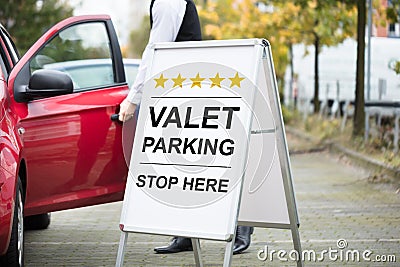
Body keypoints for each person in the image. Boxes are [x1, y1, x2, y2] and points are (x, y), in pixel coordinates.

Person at [118, 0, 253, 255]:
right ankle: (185, 234)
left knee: (210, 163)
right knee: (186, 166)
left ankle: (241, 226)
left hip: (188, 92)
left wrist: (133, 98)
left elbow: (155, 51)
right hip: (181, 91)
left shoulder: (167, 2)